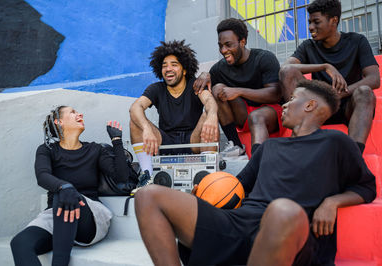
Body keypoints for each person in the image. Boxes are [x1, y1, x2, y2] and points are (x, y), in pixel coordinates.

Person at [134, 79, 376, 265]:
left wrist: (332, 202)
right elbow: (237, 186)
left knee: (282, 208)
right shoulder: (270, 146)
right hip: (242, 223)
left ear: (310, 105)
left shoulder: (335, 142)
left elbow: (366, 187)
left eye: (292, 99)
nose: (284, 104)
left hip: (291, 230)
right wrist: (205, 193)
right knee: (149, 195)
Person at [11, 106, 131, 266]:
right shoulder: (47, 150)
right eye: (73, 112)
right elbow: (42, 176)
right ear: (59, 122)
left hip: (90, 217)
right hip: (55, 214)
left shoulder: (95, 149)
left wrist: (117, 141)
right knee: (20, 244)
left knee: (64, 195)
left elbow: (122, 178)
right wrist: (65, 187)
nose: (80, 114)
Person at [279, 0, 380, 154]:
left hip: (348, 106)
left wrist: (339, 94)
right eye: (309, 22)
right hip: (318, 107)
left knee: (365, 91)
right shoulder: (308, 46)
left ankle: (353, 156)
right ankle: (301, 141)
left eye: (316, 22)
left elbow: (374, 79)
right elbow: (286, 68)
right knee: (287, 73)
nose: (310, 27)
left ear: (334, 20)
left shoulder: (357, 41)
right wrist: (325, 66)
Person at [129, 40, 219, 193]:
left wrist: (212, 116)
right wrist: (146, 128)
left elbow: (209, 101)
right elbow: (135, 107)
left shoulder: (194, 85)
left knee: (208, 115)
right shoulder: (156, 88)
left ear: (184, 70)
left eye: (174, 64)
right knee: (135, 120)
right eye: (164, 65)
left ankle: (208, 179)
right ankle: (148, 176)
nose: (168, 69)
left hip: (193, 141)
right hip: (165, 142)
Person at [194, 18, 283, 157]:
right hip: (243, 115)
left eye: (228, 45)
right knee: (217, 89)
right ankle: (235, 145)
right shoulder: (220, 68)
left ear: (243, 41)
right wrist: (206, 74)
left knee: (256, 116)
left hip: (271, 113)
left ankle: (257, 162)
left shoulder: (264, 58)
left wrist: (239, 91)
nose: (224, 50)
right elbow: (208, 86)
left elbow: (275, 94)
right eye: (221, 45)